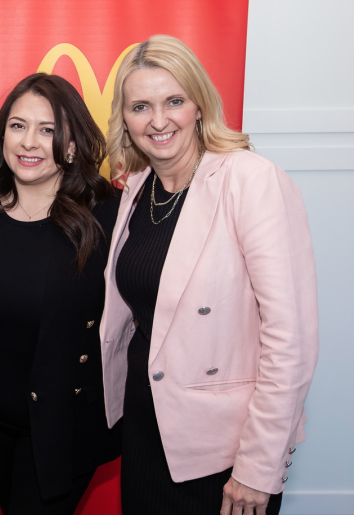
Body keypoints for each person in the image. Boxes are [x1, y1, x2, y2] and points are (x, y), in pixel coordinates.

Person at [101, 34, 319, 515]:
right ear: (124, 118)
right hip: (145, 429)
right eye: (141, 106)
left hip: (224, 454)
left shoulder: (250, 180)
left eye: (174, 101)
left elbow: (290, 339)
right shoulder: (136, 188)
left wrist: (257, 468)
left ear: (199, 105)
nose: (158, 121)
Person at [0, 73, 121, 514]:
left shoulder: (107, 212)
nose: (29, 142)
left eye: (48, 130)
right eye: (18, 126)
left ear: (71, 145)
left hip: (63, 428)